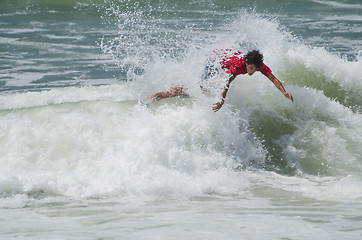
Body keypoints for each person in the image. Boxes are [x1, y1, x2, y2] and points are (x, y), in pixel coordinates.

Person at [150, 49, 293, 112]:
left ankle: (177, 91)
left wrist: (284, 92)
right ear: (246, 64)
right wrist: (221, 100)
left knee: (202, 89)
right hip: (215, 61)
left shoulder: (260, 66)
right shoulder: (238, 66)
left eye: (253, 69)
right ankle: (161, 94)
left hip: (223, 58)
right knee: (201, 88)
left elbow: (273, 78)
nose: (251, 71)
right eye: (249, 68)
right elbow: (226, 82)